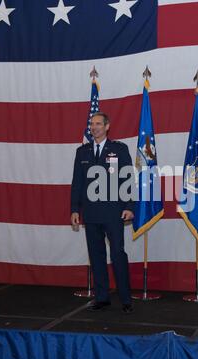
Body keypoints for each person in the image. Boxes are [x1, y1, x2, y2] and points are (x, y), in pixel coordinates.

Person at [70, 112, 135, 313]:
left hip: (114, 212)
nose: (94, 127)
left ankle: (126, 299)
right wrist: (74, 209)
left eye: (98, 124)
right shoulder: (82, 152)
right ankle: (102, 297)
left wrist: (129, 206)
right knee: (96, 256)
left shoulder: (119, 149)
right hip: (91, 213)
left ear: (107, 126)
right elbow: (77, 183)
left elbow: (128, 179)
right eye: (92, 124)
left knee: (117, 255)